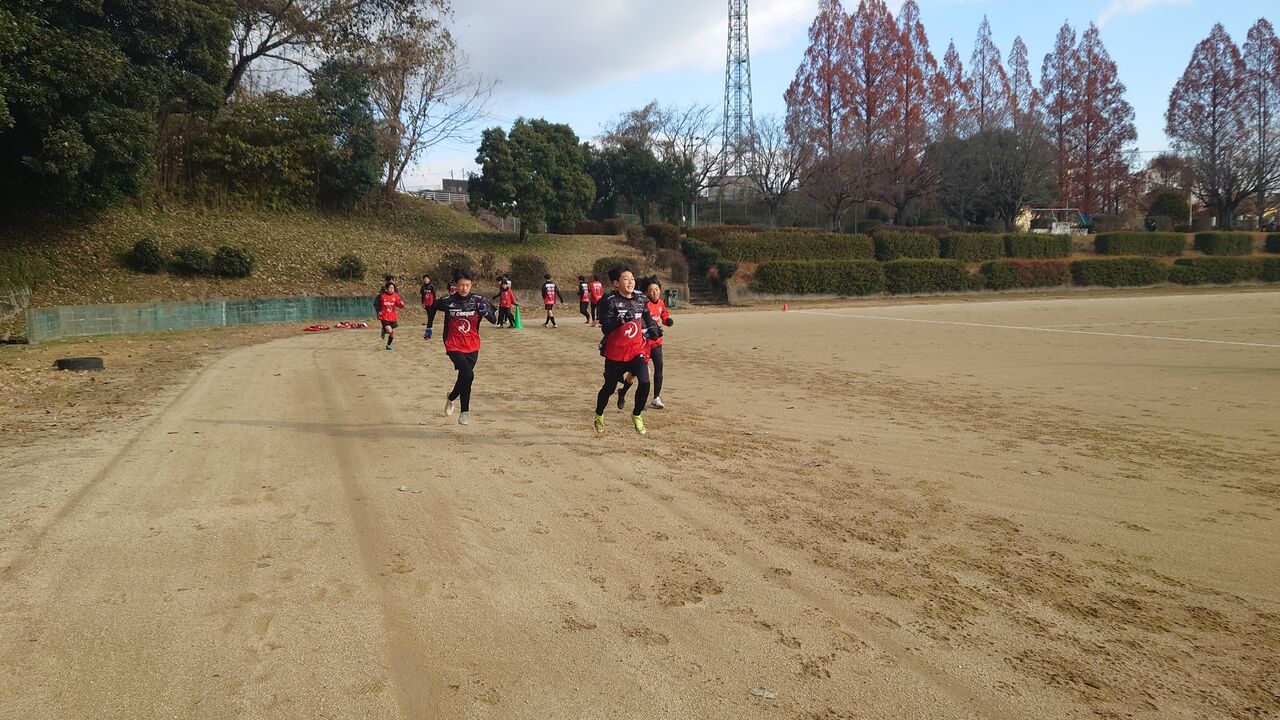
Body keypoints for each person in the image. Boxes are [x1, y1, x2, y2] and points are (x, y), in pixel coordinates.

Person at [593, 266, 662, 435]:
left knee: (645, 381)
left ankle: (636, 414)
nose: (631, 281)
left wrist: (653, 328)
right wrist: (621, 321)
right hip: (615, 354)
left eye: (632, 278)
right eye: (626, 279)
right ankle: (599, 414)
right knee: (609, 388)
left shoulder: (640, 298)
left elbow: (647, 316)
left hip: (636, 351)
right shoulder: (609, 300)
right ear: (616, 283)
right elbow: (605, 328)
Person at [431, 269, 498, 426]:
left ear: (471, 284)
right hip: (453, 344)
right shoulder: (448, 301)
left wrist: (485, 312)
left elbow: (494, 320)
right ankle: (464, 412)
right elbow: (432, 307)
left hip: (472, 345)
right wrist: (429, 327)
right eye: (461, 285)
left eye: (467, 285)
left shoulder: (478, 300)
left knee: (464, 378)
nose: (464, 288)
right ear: (455, 285)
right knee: (468, 375)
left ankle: (451, 397)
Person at [617, 276, 674, 410]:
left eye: (657, 289)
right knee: (636, 374)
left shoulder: (661, 303)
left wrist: (667, 321)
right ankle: (623, 392)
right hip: (642, 344)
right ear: (646, 292)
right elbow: (636, 319)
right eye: (651, 290)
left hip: (656, 342)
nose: (655, 292)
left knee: (659, 367)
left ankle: (656, 398)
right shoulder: (642, 304)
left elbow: (663, 315)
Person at [375, 281, 406, 351]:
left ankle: (388, 344)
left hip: (392, 316)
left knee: (392, 332)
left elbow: (399, 304)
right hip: (384, 316)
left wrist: (401, 304)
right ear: (387, 288)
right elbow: (376, 304)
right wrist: (378, 311)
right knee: (390, 331)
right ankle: (385, 330)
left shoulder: (395, 295)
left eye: (393, 288)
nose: (391, 289)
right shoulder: (382, 296)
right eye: (390, 288)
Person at [419, 273, 437, 339]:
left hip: (432, 304)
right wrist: (422, 303)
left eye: (427, 279)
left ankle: (429, 331)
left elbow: (434, 295)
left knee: (431, 318)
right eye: (425, 279)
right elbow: (422, 296)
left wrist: (435, 303)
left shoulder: (431, 286)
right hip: (427, 304)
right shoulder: (423, 287)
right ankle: (428, 332)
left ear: (429, 279)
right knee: (430, 317)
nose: (426, 280)